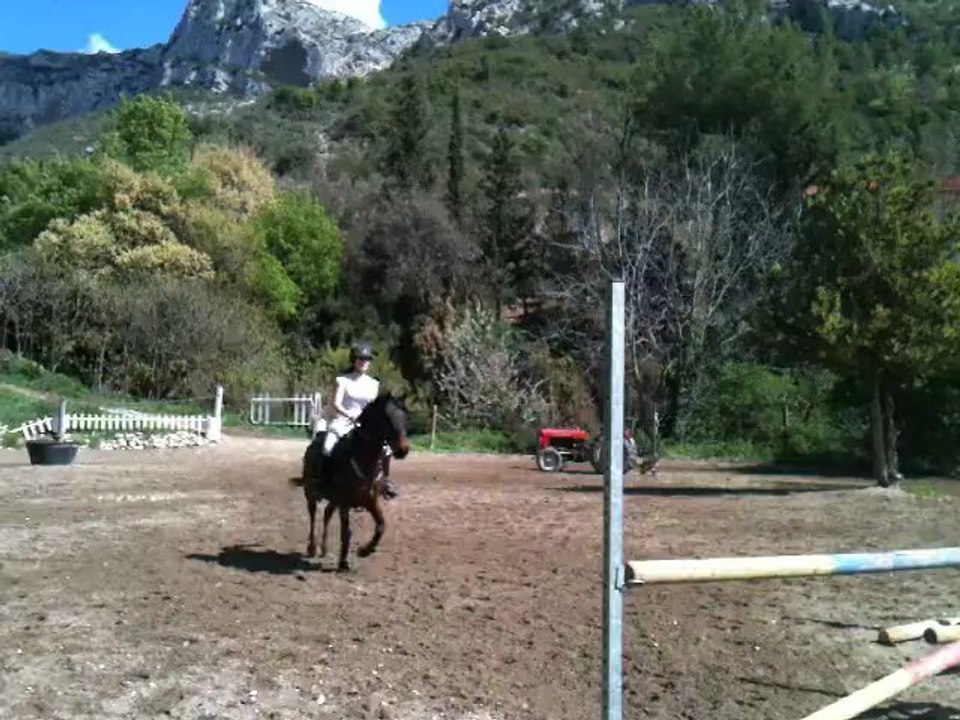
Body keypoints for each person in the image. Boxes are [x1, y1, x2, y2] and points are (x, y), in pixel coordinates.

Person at [320, 342, 398, 499]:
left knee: (387, 449)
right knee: (328, 446)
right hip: (343, 421)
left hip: (365, 425)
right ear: (354, 360)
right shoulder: (343, 380)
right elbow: (336, 404)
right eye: (360, 359)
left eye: (367, 359)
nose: (363, 362)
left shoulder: (374, 384)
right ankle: (322, 479)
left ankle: (385, 480)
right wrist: (350, 414)